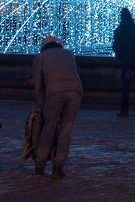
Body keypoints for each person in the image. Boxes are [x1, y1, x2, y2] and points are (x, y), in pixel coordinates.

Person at [31, 35, 83, 178]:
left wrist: (42, 106)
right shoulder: (69, 54)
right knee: (66, 130)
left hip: (54, 93)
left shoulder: (40, 58)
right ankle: (58, 167)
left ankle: (40, 166)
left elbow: (38, 86)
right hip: (75, 92)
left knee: (48, 129)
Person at [112, 7, 135, 117]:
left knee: (126, 87)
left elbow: (115, 45)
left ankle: (124, 110)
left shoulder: (120, 30)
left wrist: (120, 55)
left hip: (126, 62)